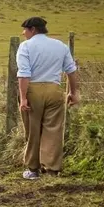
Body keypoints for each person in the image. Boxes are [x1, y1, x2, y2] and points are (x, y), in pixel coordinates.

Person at [16, 17, 79, 180]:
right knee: (54, 129)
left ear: (33, 30)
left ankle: (33, 169)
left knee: (33, 130)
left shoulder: (26, 47)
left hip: (33, 90)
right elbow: (71, 71)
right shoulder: (60, 46)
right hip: (55, 90)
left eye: (25, 30)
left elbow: (23, 74)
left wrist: (23, 98)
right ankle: (52, 169)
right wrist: (73, 92)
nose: (23, 33)